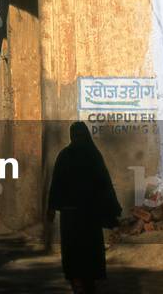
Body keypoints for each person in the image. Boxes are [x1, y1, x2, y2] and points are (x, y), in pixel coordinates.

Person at [47, 122, 122, 294]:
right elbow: (104, 184)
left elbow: (56, 183)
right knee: (88, 249)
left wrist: (52, 207)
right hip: (87, 214)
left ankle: (79, 283)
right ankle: (85, 283)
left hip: (74, 215)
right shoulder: (92, 155)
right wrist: (111, 210)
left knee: (76, 250)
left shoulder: (66, 155)